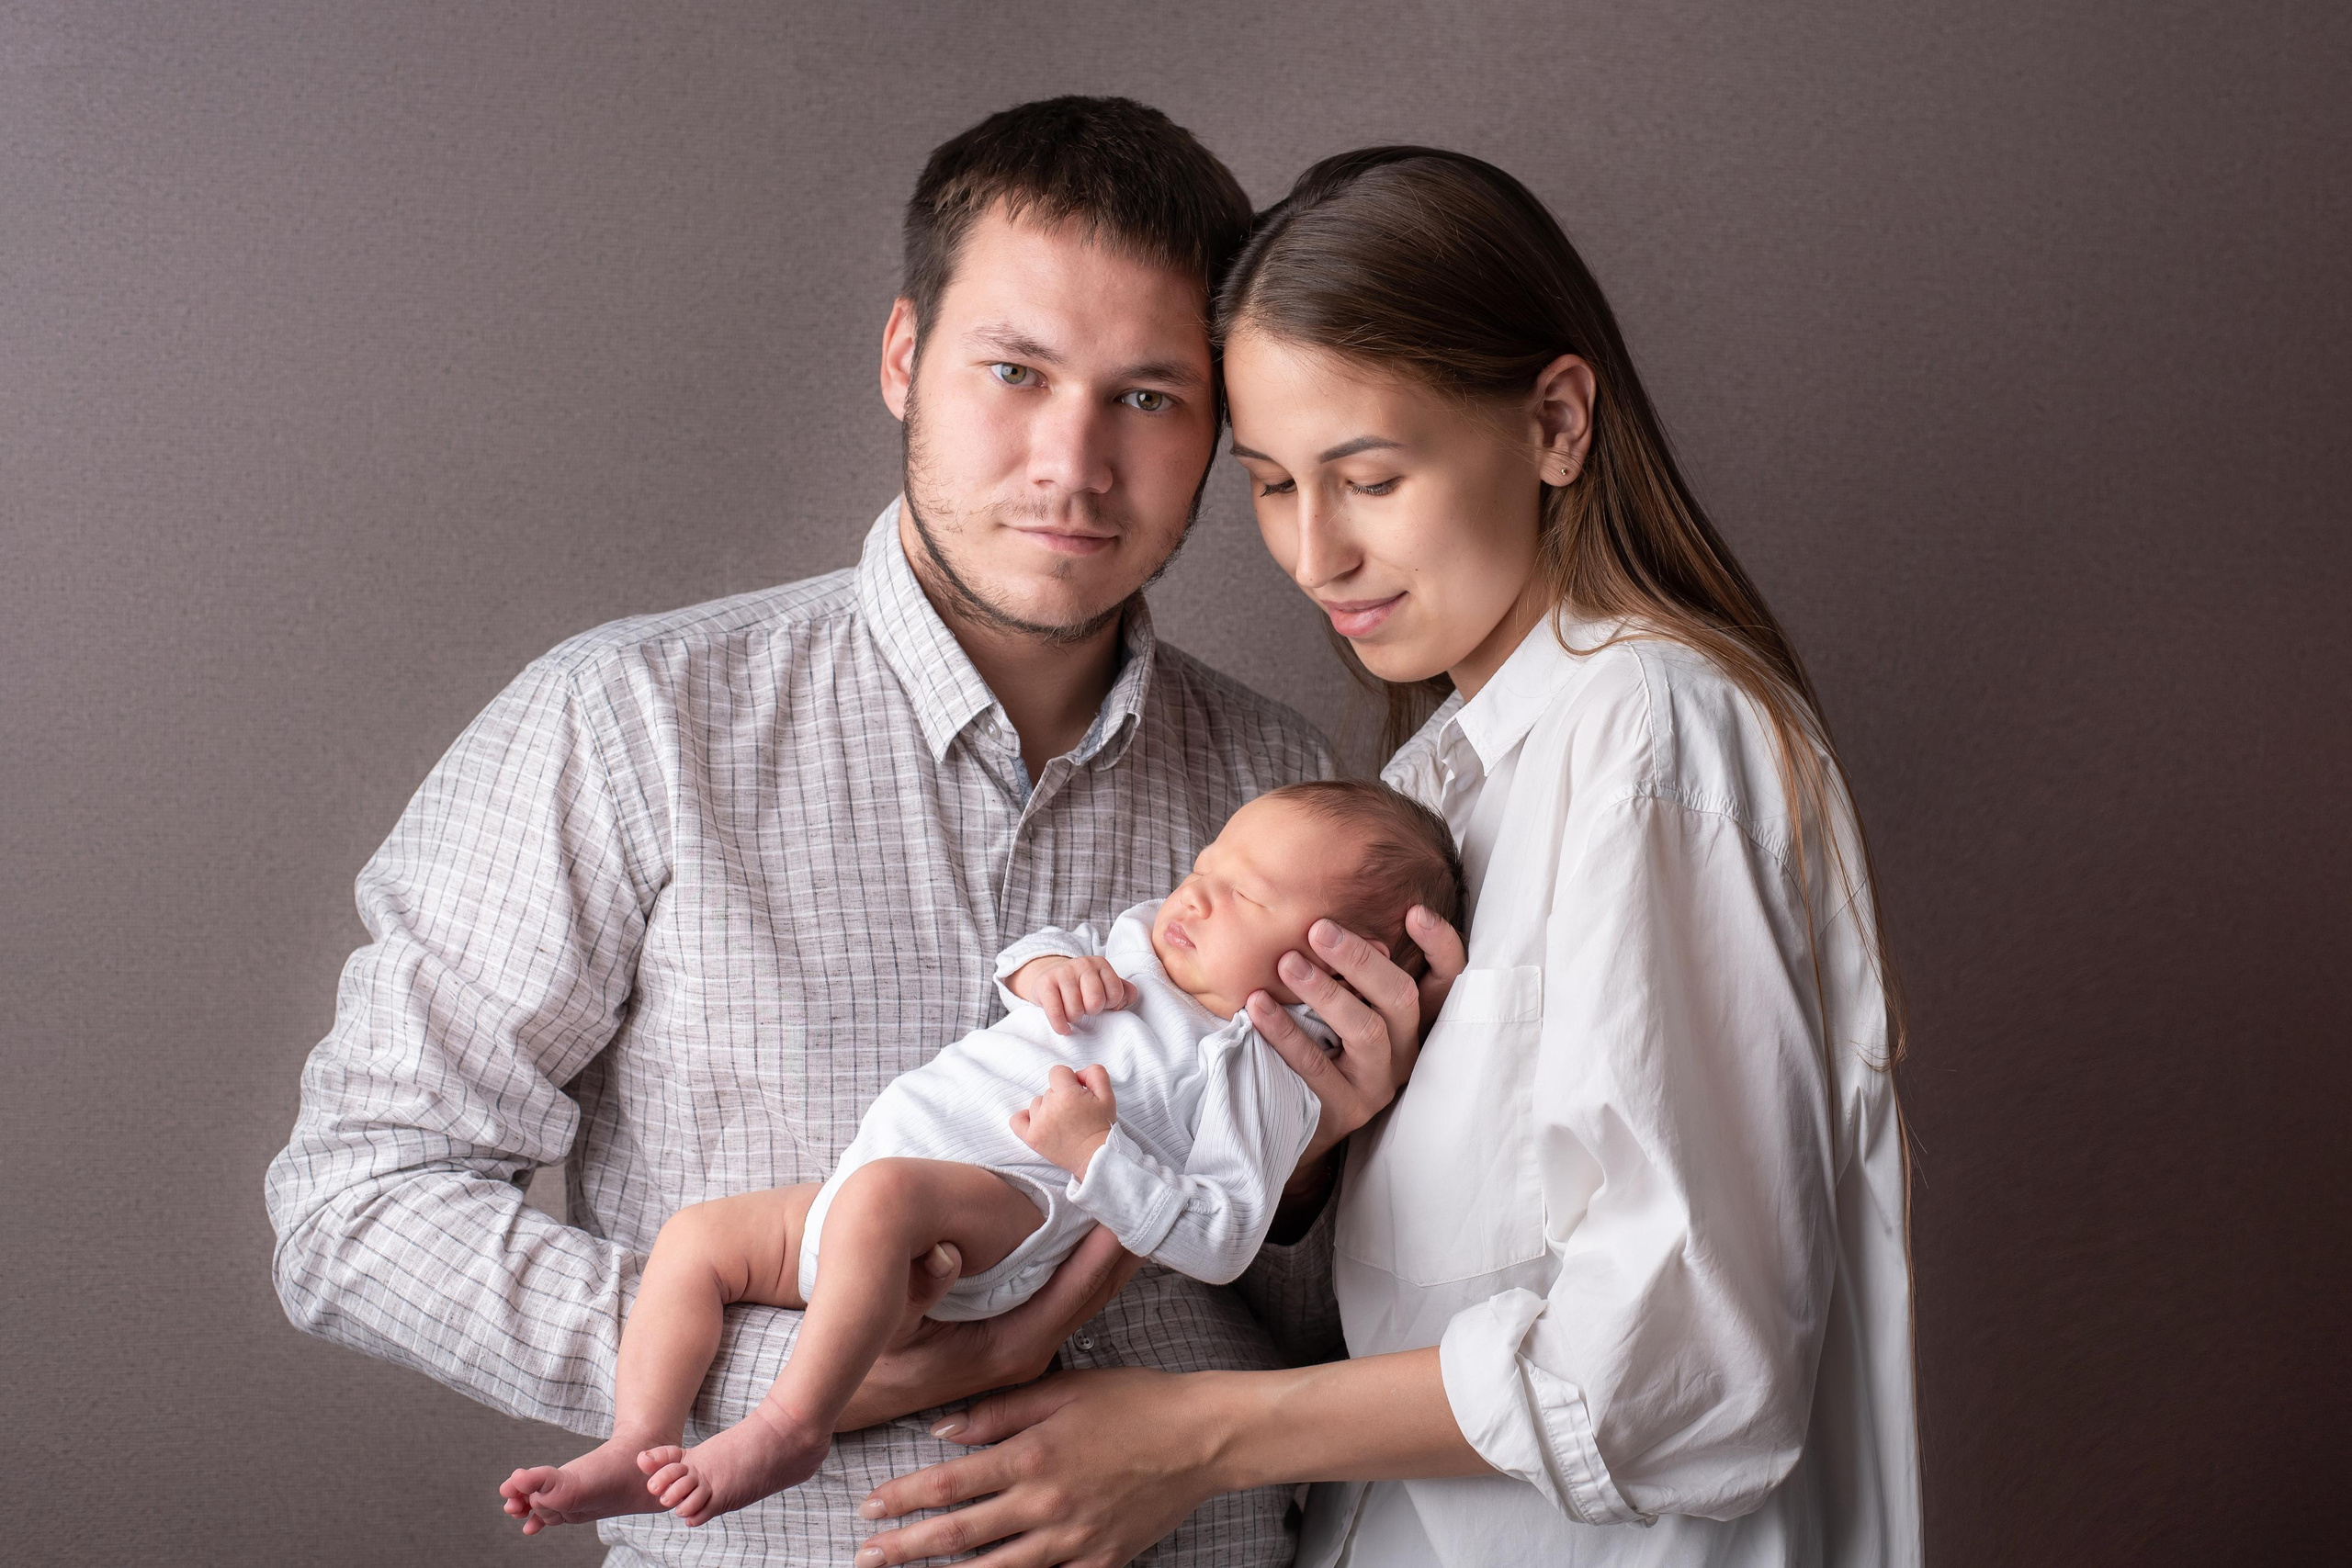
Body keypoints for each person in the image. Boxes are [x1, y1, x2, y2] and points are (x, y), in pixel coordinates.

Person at [264, 98, 1424, 1568]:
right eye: (1015, 370)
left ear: (1218, 426)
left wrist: (1319, 1170)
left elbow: (1349, 1326)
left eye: (1148, 396)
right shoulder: (629, 723)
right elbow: (355, 1202)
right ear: (903, 358)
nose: (1072, 462)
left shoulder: (1291, 790)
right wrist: (786, 1373)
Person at [850, 148, 1922, 1568]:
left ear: (1553, 421)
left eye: (1368, 478)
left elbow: (1687, 1367)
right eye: (1277, 484)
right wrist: (1303, 1152)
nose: (1316, 553)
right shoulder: (1436, 786)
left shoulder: (1646, 732)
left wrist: (1195, 1432)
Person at [501, 781, 1462, 1533]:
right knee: (698, 1238)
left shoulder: (1253, 1066)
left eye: (1245, 894)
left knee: (880, 1202)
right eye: (1207, 862)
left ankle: (790, 1428)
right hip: (879, 1181)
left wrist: (1097, 1154)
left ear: (1332, 970)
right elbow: (1031, 957)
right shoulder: (1141, 944)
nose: (1196, 894)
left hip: (1006, 1209)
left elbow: (1218, 1243)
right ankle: (640, 1437)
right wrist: (1044, 969)